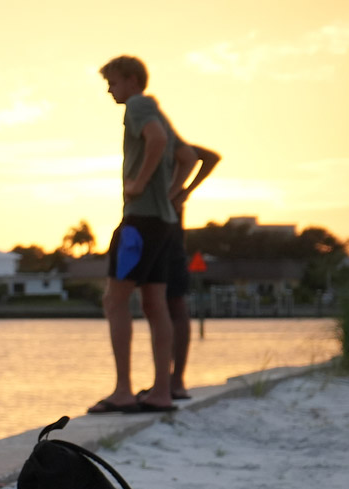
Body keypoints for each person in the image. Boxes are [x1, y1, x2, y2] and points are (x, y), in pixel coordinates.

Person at [88, 55, 179, 414]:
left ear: (129, 79)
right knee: (155, 304)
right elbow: (186, 156)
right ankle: (161, 391)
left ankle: (123, 391)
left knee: (114, 300)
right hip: (163, 222)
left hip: (139, 222)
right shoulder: (162, 113)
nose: (109, 89)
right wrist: (170, 196)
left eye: (112, 81)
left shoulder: (139, 106)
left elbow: (154, 141)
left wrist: (138, 184)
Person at [161, 142, 221, 400]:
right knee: (158, 304)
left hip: (169, 230)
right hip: (154, 227)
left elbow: (211, 157)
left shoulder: (168, 140)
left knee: (174, 303)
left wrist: (182, 192)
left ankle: (175, 380)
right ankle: (164, 380)